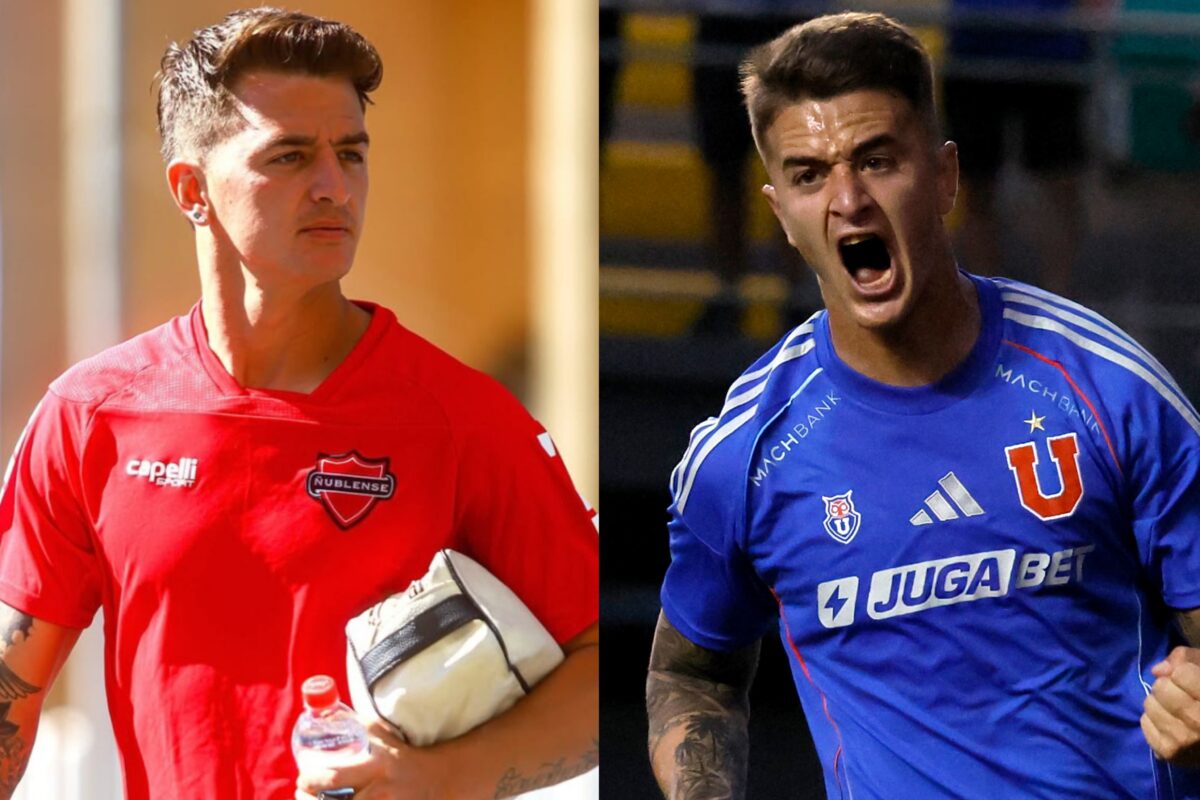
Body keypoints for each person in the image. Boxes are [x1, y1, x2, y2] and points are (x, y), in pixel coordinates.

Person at [0, 8, 598, 800]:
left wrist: (436, 778)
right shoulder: (90, 417)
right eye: (289, 156)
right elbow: (13, 685)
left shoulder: (465, 419)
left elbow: (605, 675)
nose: (333, 185)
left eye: (350, 153)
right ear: (191, 190)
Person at [647, 12, 1200, 799]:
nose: (848, 200)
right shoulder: (745, 454)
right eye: (809, 175)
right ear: (782, 215)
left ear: (944, 179)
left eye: (876, 162)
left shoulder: (1110, 388)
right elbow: (690, 669)